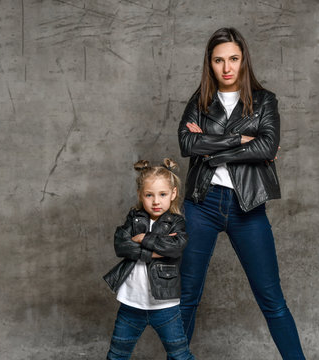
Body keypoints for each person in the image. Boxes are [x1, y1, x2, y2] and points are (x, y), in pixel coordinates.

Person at [177, 27, 305, 359]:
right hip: (201, 205)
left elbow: (268, 146)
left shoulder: (264, 101)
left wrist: (212, 147)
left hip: (246, 209)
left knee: (272, 300)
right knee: (186, 297)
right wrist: (243, 141)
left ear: (243, 59)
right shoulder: (201, 101)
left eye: (233, 58)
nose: (227, 67)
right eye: (219, 60)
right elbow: (187, 143)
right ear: (210, 64)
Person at [103, 159, 195, 360]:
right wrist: (154, 250)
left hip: (165, 307)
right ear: (140, 195)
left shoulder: (176, 223)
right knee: (117, 355)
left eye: (162, 194)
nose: (156, 201)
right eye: (149, 195)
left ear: (173, 194)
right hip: (131, 304)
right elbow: (121, 245)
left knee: (180, 355)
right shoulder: (134, 218)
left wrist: (144, 238)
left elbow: (175, 247)